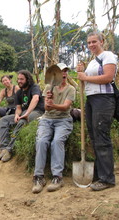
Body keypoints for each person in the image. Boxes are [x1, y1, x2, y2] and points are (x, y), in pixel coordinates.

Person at [77, 31, 117, 191]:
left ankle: (107, 179)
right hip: (92, 100)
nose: (91, 45)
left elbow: (108, 77)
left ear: (102, 41)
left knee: (102, 137)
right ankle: (100, 174)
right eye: (89, 43)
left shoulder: (108, 56)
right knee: (94, 137)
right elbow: (87, 79)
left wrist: (85, 77)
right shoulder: (93, 61)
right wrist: (82, 72)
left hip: (104, 99)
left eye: (94, 41)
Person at [32, 63, 76, 193]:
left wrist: (53, 105)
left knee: (57, 141)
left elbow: (66, 107)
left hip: (63, 120)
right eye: (60, 71)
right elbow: (46, 108)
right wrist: (48, 103)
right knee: (41, 141)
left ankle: (57, 177)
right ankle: (38, 177)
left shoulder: (71, 89)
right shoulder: (48, 87)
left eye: (65, 71)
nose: (63, 74)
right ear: (54, 74)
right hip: (47, 120)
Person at [0, 70, 44, 162]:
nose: (19, 81)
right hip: (24, 112)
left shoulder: (34, 87)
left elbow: (35, 99)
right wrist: (16, 115)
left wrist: (26, 114)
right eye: (18, 79)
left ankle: (9, 149)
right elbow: (18, 108)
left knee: (22, 122)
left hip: (37, 111)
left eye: (22, 79)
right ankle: (3, 147)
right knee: (3, 120)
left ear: (28, 79)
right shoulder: (19, 92)